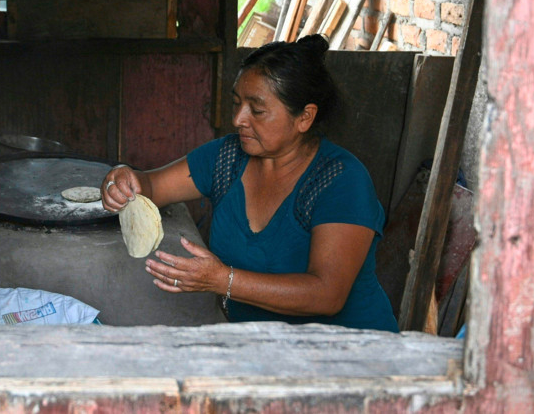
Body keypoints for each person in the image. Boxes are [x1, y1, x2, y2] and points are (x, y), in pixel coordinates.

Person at [100, 35, 398, 331]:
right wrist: (126, 179)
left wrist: (222, 280)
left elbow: (327, 295)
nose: (239, 119)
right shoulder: (227, 157)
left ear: (305, 118)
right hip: (261, 348)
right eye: (237, 103)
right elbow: (152, 186)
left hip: (352, 354)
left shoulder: (340, 179)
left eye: (256, 110)